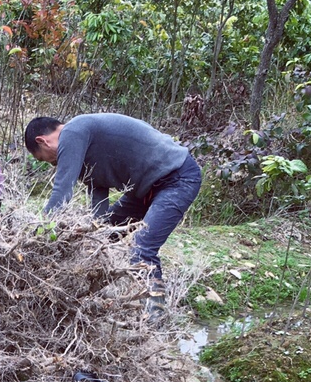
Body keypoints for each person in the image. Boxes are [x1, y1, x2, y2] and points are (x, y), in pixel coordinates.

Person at [24, 113, 202, 283]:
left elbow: (62, 192)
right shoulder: (85, 147)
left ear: (42, 141)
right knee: (103, 237)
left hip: (177, 178)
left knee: (141, 249)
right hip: (144, 191)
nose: (52, 163)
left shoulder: (72, 131)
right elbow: (98, 192)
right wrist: (95, 232)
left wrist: (39, 232)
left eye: (43, 158)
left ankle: (155, 310)